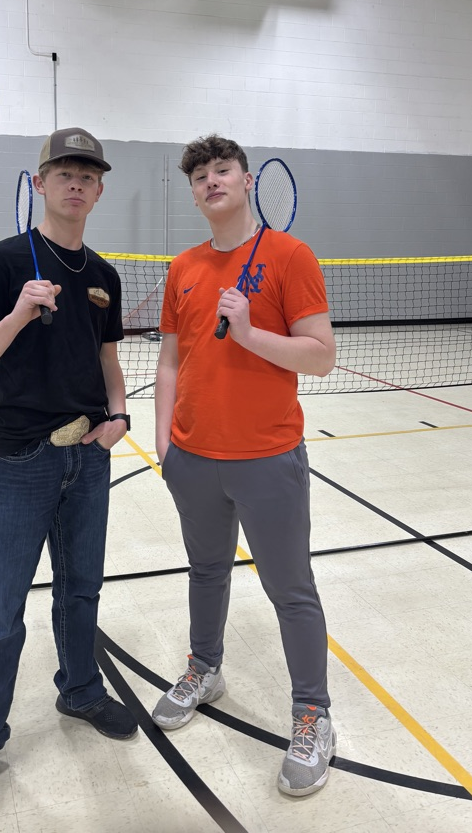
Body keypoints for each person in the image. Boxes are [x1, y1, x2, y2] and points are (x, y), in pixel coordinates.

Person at [0, 127, 136, 820]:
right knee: (0, 610)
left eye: (89, 174)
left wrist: (118, 419)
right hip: (21, 459)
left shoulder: (105, 276)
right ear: (40, 184)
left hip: (86, 457)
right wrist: (20, 313)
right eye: (64, 172)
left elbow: (109, 359)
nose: (77, 183)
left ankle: (80, 690)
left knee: (81, 590)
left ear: (99, 189)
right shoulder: (3, 262)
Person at [152, 134, 337, 797]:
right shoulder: (184, 267)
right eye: (199, 174)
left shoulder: (290, 256)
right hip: (194, 456)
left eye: (221, 169)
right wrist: (164, 442)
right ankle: (205, 668)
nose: (210, 181)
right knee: (206, 571)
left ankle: (313, 714)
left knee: (291, 590)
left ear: (247, 178)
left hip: (267, 457)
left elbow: (320, 355)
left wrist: (254, 332)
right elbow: (171, 360)